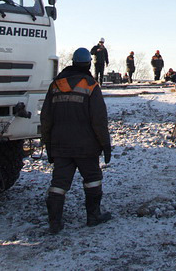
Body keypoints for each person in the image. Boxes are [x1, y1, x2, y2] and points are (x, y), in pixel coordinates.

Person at [40, 47, 113, 234]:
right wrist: (105, 144)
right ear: (89, 63)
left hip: (60, 145)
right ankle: (93, 216)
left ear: (72, 62)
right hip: (86, 147)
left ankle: (55, 222)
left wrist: (48, 144)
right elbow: (99, 120)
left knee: (59, 183)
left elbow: (46, 118)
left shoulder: (56, 85)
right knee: (93, 180)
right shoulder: (91, 85)